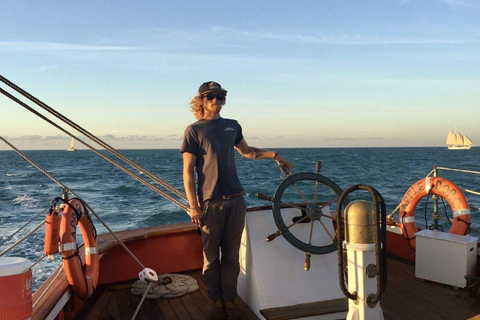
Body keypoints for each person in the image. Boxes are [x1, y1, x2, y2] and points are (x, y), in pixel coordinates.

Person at [181, 81, 293, 320]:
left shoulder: (232, 126)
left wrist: (275, 155)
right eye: (210, 96)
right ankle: (215, 300)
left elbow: (248, 152)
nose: (216, 100)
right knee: (211, 258)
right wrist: (193, 205)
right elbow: (188, 171)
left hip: (235, 200)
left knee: (231, 256)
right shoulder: (194, 131)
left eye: (220, 95)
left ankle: (229, 301)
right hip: (209, 203)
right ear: (201, 100)